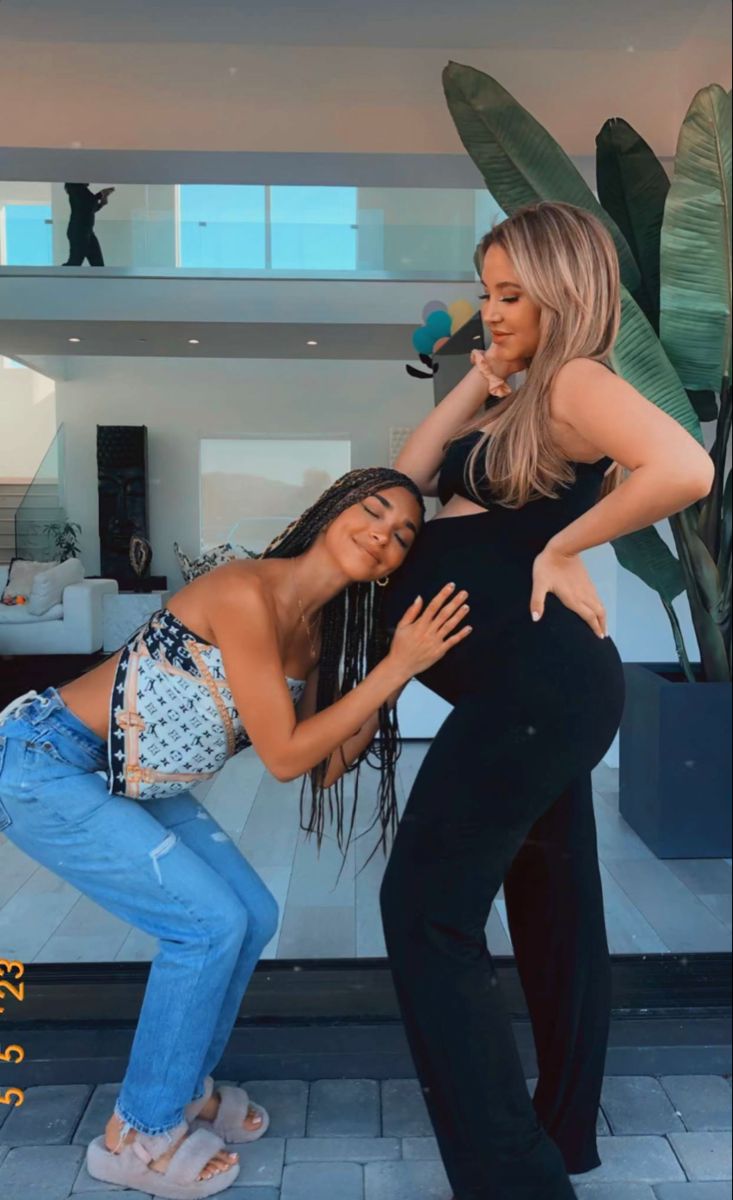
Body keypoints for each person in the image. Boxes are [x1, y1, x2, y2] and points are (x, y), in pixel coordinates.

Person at [0, 467, 472, 1200]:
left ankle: (181, 1091)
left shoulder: (315, 635)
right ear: (331, 511)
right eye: (373, 511)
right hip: (49, 761)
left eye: (403, 534)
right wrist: (394, 669)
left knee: (251, 913)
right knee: (206, 924)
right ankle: (137, 1136)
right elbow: (283, 756)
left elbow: (324, 765)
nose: (384, 533)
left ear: (395, 566)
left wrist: (397, 671)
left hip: (133, 774)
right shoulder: (245, 591)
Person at [380, 201, 714, 1200]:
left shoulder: (575, 381)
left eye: (512, 294)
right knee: (554, 911)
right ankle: (562, 1134)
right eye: (485, 292)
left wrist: (562, 546)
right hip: (532, 690)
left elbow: (686, 467)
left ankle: (513, 1178)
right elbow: (401, 485)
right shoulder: (523, 394)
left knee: (424, 911)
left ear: (564, 293)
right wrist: (477, 379)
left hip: (538, 688)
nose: (490, 311)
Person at [62, 183, 114, 266]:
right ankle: (56, 273)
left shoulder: (79, 190)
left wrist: (101, 201)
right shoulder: (76, 188)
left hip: (84, 231)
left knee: (96, 266)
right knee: (74, 264)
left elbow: (89, 208)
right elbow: (89, 204)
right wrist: (101, 194)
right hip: (79, 232)